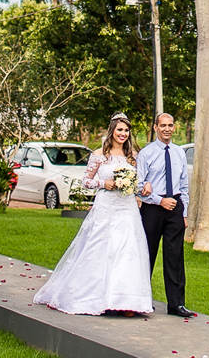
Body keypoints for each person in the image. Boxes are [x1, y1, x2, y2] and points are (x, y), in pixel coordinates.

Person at [33, 113, 153, 316]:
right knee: (100, 249)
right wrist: (103, 183)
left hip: (126, 208)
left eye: (126, 130)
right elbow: (86, 181)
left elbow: (141, 180)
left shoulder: (134, 156)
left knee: (127, 251)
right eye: (119, 130)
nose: (123, 134)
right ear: (112, 130)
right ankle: (92, 297)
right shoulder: (99, 154)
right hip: (106, 206)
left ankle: (126, 301)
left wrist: (145, 184)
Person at [137, 112, 196, 319]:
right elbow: (138, 186)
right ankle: (141, 300)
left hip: (175, 208)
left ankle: (177, 304)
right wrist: (158, 200)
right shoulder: (146, 154)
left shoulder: (180, 153)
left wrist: (184, 213)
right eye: (163, 125)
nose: (167, 129)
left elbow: (184, 185)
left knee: (175, 256)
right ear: (155, 128)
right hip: (153, 208)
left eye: (170, 125)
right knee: (147, 254)